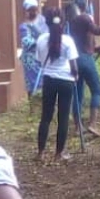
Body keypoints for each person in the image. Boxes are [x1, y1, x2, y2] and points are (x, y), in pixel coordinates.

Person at [34, 10, 80, 161]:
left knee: (46, 117)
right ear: (63, 22)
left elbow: (40, 61)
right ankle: (59, 154)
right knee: (63, 117)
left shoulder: (41, 39)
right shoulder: (68, 41)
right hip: (66, 81)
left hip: (49, 80)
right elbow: (73, 65)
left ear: (46, 22)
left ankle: (40, 153)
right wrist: (76, 75)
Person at [65, 1, 100, 137]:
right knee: (97, 91)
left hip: (74, 61)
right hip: (85, 59)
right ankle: (92, 124)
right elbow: (97, 30)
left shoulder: (70, 25)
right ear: (77, 10)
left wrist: (96, 49)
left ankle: (78, 127)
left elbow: (81, 44)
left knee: (78, 94)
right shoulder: (83, 18)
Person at [18, 0, 48, 97]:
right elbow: (26, 42)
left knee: (45, 84)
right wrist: (41, 41)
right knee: (33, 85)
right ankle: (33, 107)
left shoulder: (42, 21)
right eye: (30, 10)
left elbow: (48, 34)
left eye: (35, 9)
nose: (33, 12)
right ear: (26, 11)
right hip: (31, 61)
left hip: (43, 57)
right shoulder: (24, 26)